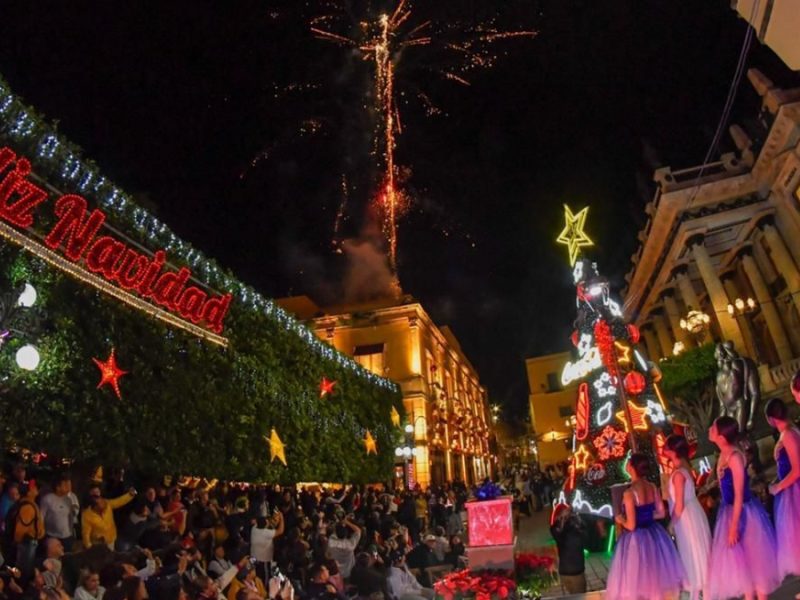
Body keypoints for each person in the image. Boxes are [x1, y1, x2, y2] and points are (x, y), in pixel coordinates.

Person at [706, 416, 780, 600]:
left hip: (745, 514)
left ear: (722, 437)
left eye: (713, 428)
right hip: (729, 511)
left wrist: (733, 526)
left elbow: (739, 493)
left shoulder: (734, 457)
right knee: (744, 569)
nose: (709, 430)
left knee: (756, 566)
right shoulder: (723, 455)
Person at [605, 453, 685, 600]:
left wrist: (620, 519)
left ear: (632, 467)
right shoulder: (652, 487)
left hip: (636, 540)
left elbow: (631, 525)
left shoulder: (629, 493)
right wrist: (646, 515)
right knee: (654, 579)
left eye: (629, 462)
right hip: (654, 535)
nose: (626, 465)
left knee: (636, 581)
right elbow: (661, 513)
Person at [664, 434, 711, 600]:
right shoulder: (685, 468)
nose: (664, 449)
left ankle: (699, 594)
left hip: (686, 519)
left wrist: (671, 524)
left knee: (692, 554)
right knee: (697, 554)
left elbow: (679, 504)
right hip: (692, 514)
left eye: (666, 447)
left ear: (673, 450)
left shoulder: (678, 474)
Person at [765, 398, 800, 580]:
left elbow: (797, 469)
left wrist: (778, 487)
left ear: (771, 418)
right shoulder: (790, 431)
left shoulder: (788, 434)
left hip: (793, 491)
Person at [549, 505, 587, 594]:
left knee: (572, 595)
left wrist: (561, 518)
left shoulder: (559, 531)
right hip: (576, 572)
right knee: (580, 596)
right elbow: (585, 536)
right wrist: (578, 519)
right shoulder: (575, 532)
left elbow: (552, 528)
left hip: (564, 572)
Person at [39, 474, 78, 552]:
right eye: (66, 485)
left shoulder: (71, 497)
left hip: (68, 536)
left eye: (70, 485)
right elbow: (41, 518)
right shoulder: (47, 499)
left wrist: (71, 500)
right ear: (58, 487)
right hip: (52, 536)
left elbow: (75, 513)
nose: (69, 488)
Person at [250, 512, 283, 582]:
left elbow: (257, 522)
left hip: (253, 558)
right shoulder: (266, 533)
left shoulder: (254, 529)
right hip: (263, 561)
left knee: (254, 575)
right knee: (264, 578)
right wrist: (281, 518)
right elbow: (280, 531)